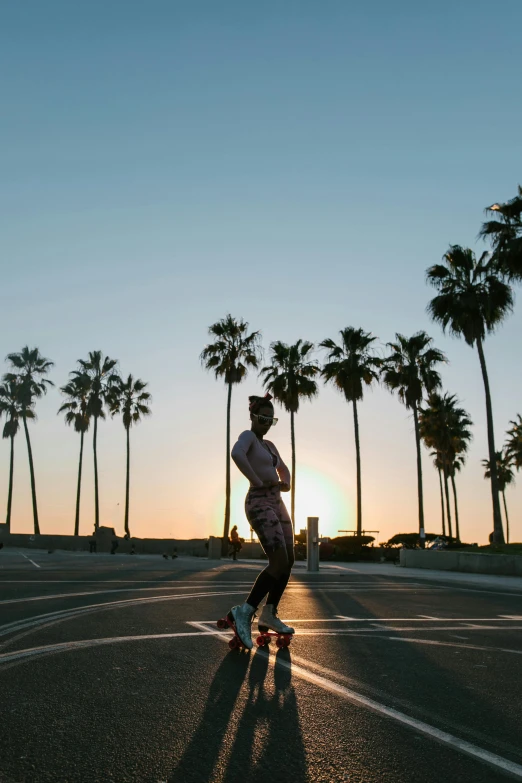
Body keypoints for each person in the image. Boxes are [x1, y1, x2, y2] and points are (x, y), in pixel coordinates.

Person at [227, 392, 294, 649]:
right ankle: (245, 610)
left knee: (289, 561)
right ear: (253, 417)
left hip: (277, 502)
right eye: (262, 418)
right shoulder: (248, 437)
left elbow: (283, 468)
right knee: (277, 561)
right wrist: (255, 480)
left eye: (270, 420)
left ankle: (270, 612)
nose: (266, 423)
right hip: (259, 502)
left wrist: (285, 482)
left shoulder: (270, 446)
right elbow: (237, 453)